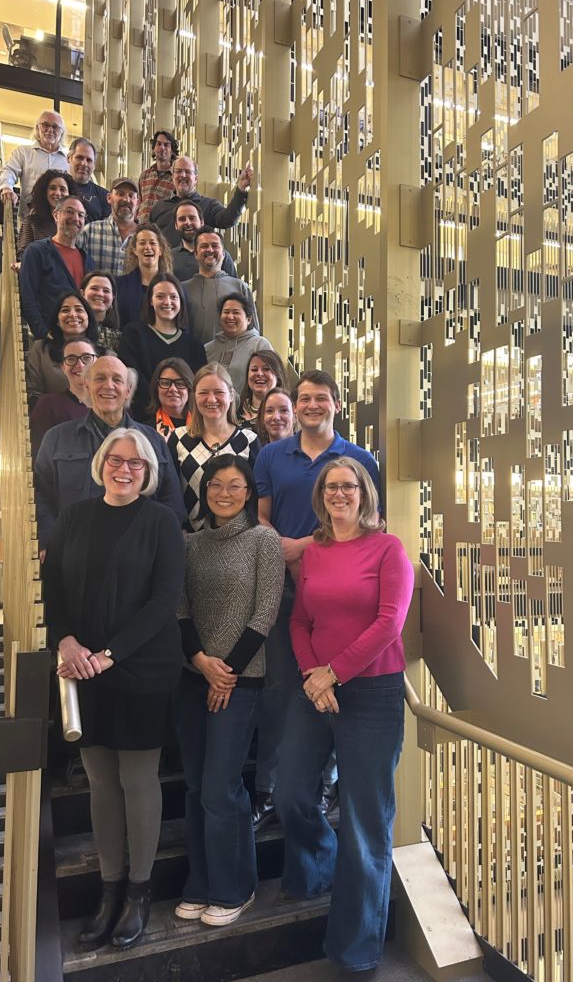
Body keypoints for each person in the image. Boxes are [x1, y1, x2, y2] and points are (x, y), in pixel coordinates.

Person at [45, 428, 185, 951]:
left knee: (138, 778)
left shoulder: (162, 522)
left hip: (139, 666)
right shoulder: (75, 517)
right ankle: (108, 890)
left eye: (136, 464)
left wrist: (108, 655)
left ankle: (139, 892)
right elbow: (53, 587)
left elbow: (164, 600)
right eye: (116, 460)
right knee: (100, 780)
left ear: (149, 473)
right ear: (101, 462)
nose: (124, 469)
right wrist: (68, 644)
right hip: (81, 666)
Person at [275, 458, 413, 971]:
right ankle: (319, 867)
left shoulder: (388, 549)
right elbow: (300, 619)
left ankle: (356, 950)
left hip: (371, 694)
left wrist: (335, 672)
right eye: (330, 487)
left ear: (364, 493)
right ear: (320, 495)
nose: (338, 494)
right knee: (289, 792)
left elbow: (389, 623)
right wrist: (315, 675)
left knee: (364, 821)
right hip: (315, 690)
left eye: (347, 487)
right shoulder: (315, 553)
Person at [250, 371, 381, 831]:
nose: (310, 405)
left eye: (320, 398)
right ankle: (269, 788)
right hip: (281, 588)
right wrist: (280, 551)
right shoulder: (269, 455)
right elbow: (261, 517)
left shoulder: (358, 459)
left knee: (334, 688)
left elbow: (371, 524)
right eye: (303, 398)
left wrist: (301, 547)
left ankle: (325, 784)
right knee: (283, 689)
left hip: (338, 594)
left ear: (337, 405)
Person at [173, 454, 284, 927]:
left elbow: (264, 615)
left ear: (248, 493)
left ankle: (235, 886)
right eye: (216, 484)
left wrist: (226, 673)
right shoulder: (190, 544)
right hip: (191, 676)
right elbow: (179, 610)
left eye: (235, 486)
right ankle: (201, 882)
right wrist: (201, 661)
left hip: (240, 681)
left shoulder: (265, 541)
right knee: (197, 785)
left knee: (221, 787)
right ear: (204, 490)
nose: (224, 493)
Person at [35, 355, 185, 550]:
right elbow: (40, 497)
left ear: (128, 390)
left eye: (117, 380)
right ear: (87, 386)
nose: (109, 386)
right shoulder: (56, 439)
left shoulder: (154, 441)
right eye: (100, 378)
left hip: (138, 557)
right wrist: (51, 543)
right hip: (75, 555)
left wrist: (156, 544)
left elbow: (172, 501)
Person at [171, 363, 260, 532]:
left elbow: (256, 497)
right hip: (190, 539)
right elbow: (171, 494)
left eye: (219, 392)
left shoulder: (249, 440)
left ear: (231, 395)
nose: (211, 399)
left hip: (238, 538)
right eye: (203, 393)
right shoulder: (178, 438)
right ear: (194, 397)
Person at [118, 273, 205, 420]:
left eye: (173, 297)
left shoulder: (194, 345)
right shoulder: (133, 334)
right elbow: (133, 378)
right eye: (160, 296)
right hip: (144, 419)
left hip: (186, 423)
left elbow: (198, 386)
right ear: (150, 301)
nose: (167, 302)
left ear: (181, 301)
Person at [19, 197, 92, 339]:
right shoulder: (37, 251)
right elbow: (27, 298)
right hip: (48, 340)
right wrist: (43, 334)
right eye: (70, 212)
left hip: (78, 341)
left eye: (81, 215)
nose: (76, 218)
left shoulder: (87, 260)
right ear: (56, 215)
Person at [150, 155, 253, 248]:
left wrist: (241, 188)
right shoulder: (159, 207)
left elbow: (228, 219)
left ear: (196, 178)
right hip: (165, 267)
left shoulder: (209, 205)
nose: (183, 175)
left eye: (187, 171)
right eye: (178, 171)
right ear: (172, 176)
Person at [181, 228, 259, 345]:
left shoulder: (239, 287)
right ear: (195, 254)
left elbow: (253, 332)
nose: (210, 249)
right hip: (193, 358)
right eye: (204, 246)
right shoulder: (182, 289)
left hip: (233, 359)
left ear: (223, 254)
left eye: (215, 246)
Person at [26, 291, 99, 404]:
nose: (73, 314)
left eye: (79, 310)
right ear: (57, 321)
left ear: (88, 318)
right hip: (53, 416)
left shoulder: (106, 355)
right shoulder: (41, 349)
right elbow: (33, 393)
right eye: (65, 310)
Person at [30, 338, 98, 457]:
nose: (80, 365)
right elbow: (40, 457)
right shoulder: (49, 404)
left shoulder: (117, 405)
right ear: (63, 367)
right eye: (71, 359)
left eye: (87, 358)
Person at [0, 110, 68, 222]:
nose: (50, 130)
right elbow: (9, 170)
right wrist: (7, 187)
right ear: (37, 128)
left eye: (55, 127)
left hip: (58, 223)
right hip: (29, 219)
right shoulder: (23, 152)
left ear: (62, 132)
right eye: (45, 125)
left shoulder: (68, 160)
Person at [205, 294, 273, 395]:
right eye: (226, 312)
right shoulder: (208, 348)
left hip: (248, 408)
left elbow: (272, 380)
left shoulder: (260, 345)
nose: (230, 317)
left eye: (236, 312)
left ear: (249, 319)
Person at [78, 177, 140, 276]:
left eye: (131, 196)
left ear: (137, 203)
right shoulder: (89, 232)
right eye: (120, 194)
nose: (126, 199)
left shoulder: (146, 237)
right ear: (109, 198)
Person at [116, 223, 173, 326]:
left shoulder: (174, 288)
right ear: (134, 250)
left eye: (152, 243)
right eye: (142, 243)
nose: (148, 247)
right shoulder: (119, 285)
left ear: (160, 250)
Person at [170, 200, 237, 282]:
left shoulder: (220, 255)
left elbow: (233, 287)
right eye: (182, 219)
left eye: (192, 218)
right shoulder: (169, 257)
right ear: (176, 225)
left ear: (202, 222)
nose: (187, 222)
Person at [16, 169, 76, 259]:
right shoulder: (32, 221)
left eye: (62, 189)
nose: (57, 193)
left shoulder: (75, 224)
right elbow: (23, 255)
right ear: (45, 192)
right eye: (52, 188)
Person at [144, 358, 192, 441]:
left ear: (189, 389)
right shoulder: (145, 432)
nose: (173, 389)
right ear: (156, 388)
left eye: (180, 383)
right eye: (165, 383)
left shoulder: (205, 427)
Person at [238, 351, 287, 430]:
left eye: (266, 369)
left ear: (278, 376)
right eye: (254, 369)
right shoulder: (234, 412)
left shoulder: (287, 415)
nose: (259, 374)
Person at [67, 137, 111, 223]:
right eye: (79, 158)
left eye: (89, 160)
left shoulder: (104, 196)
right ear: (69, 158)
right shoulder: (58, 190)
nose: (84, 164)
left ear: (94, 165)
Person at [138, 130, 178, 223]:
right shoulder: (144, 175)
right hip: (141, 228)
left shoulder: (176, 177)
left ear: (172, 151)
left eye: (166, 145)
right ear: (154, 148)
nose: (162, 147)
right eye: (158, 144)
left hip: (163, 229)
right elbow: (140, 202)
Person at [81, 271, 122, 351]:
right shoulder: (71, 329)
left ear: (112, 298)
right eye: (94, 288)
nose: (100, 294)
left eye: (106, 291)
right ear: (82, 294)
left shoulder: (120, 339)